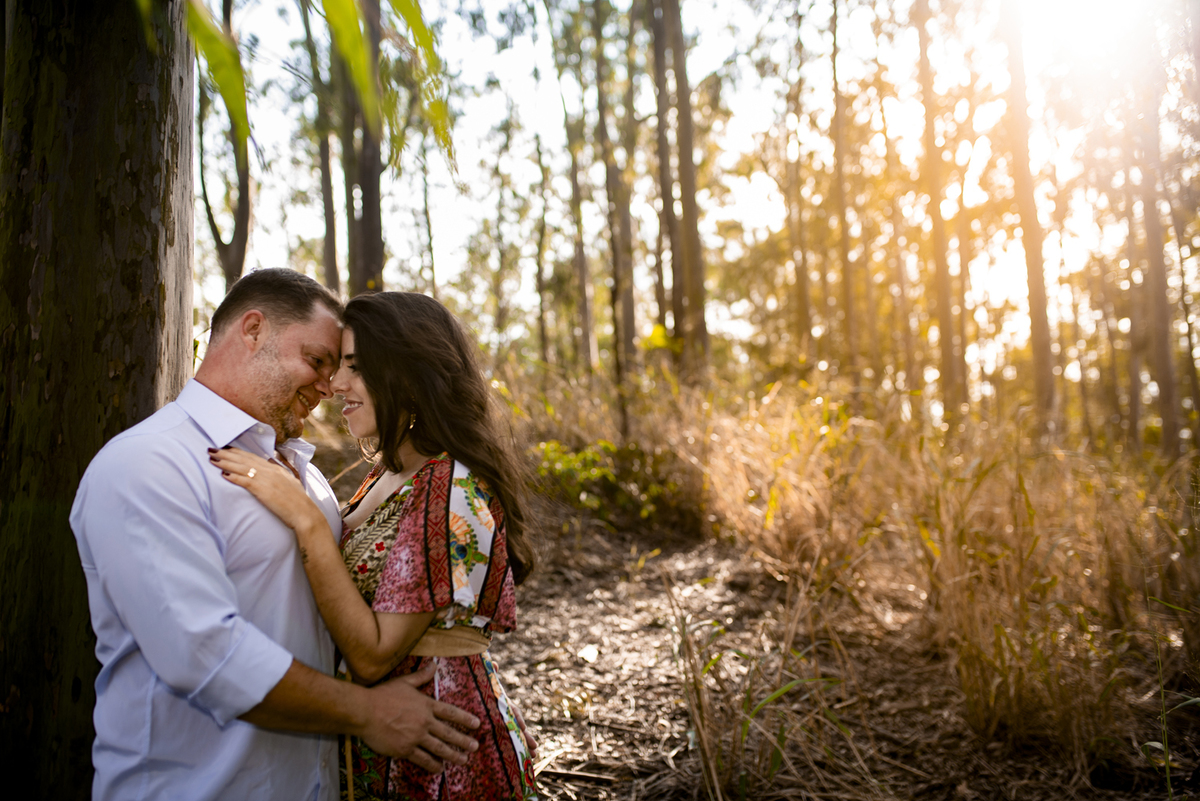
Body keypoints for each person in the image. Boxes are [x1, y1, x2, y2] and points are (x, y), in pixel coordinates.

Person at [69, 270, 480, 801]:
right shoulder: (149, 464)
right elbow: (203, 653)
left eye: (340, 368)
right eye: (317, 360)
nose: (329, 386)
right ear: (253, 330)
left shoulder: (308, 479)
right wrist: (368, 712)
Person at [209, 291, 539, 800]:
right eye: (339, 365)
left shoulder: (449, 488)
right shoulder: (389, 474)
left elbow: (373, 655)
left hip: (441, 758)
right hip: (387, 742)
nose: (335, 384)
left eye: (357, 367)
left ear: (410, 376)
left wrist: (306, 519)